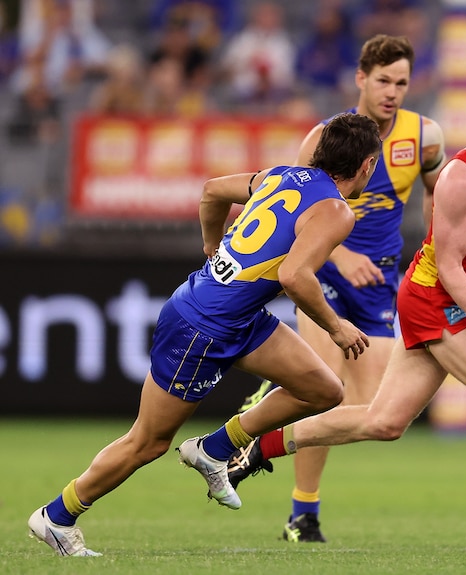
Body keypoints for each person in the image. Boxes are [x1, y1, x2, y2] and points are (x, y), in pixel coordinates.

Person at [216, 70, 466, 556]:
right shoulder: (462, 176)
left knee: (383, 422)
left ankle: (254, 448)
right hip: (433, 298)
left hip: (454, 300)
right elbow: (451, 271)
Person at [27, 112, 382, 557]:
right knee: (148, 441)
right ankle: (56, 517)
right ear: (367, 166)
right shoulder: (335, 210)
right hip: (203, 326)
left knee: (323, 390)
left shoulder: (282, 176)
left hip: (237, 315)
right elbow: (294, 275)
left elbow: (212, 190)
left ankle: (214, 450)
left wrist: (211, 246)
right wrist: (337, 326)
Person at [228, 33, 445, 543]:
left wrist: (436, 255)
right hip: (324, 270)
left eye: (402, 83)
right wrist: (342, 255)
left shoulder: (426, 137)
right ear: (360, 79)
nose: (392, 92)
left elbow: (440, 198)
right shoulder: (325, 138)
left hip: (380, 279)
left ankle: (267, 411)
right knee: (325, 386)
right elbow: (293, 212)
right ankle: (303, 514)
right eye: (383, 81)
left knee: (376, 408)